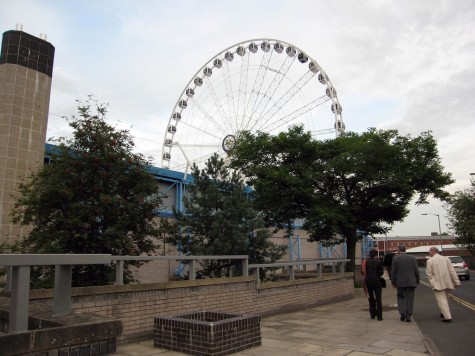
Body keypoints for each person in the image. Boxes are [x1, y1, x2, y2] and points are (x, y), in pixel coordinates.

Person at [426, 246, 461, 323]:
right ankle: (443, 312)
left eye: (429, 251)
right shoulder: (446, 259)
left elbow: (429, 274)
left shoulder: (430, 261)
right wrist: (457, 282)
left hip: (437, 284)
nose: (429, 253)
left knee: (441, 300)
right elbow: (452, 271)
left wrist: (432, 283)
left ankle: (447, 317)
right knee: (445, 299)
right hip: (448, 283)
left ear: (433, 251)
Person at [391, 244, 420, 322]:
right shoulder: (412, 258)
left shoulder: (395, 259)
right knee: (409, 298)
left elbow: (393, 272)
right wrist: (417, 280)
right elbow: (416, 271)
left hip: (400, 282)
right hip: (411, 281)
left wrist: (393, 282)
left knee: (400, 297)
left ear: (399, 250)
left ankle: (402, 313)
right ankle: (408, 315)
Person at [365, 249, 384, 320]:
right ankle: (379, 316)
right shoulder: (379, 261)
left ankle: (372, 314)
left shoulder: (366, 261)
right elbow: (381, 272)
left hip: (369, 281)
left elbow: (363, 272)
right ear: (376, 255)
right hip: (377, 281)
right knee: (379, 299)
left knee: (371, 298)